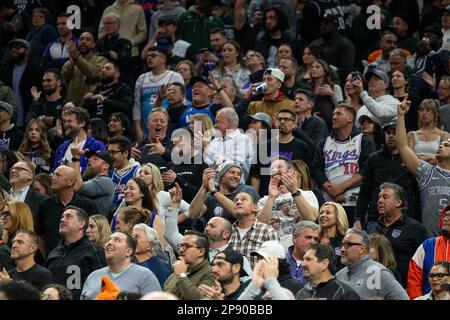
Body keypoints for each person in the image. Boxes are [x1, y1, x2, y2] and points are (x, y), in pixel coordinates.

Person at [311, 104, 376, 226]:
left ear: (350, 119)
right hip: (329, 203)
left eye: (339, 114)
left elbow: (367, 171)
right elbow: (315, 168)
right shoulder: (324, 142)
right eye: (333, 114)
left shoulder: (364, 140)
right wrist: (332, 190)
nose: (334, 117)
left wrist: (342, 187)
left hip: (356, 203)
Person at [396, 96, 450, 235]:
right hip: (431, 241)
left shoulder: (443, 134)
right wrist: (400, 116)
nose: (441, 146)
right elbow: (402, 147)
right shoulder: (427, 173)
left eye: (447, 145)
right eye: (442, 144)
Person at [354, 122, 420, 229]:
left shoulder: (411, 160)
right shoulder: (374, 159)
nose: (390, 136)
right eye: (388, 133)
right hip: (376, 219)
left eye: (394, 133)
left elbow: (417, 193)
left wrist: (418, 220)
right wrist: (358, 218)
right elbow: (365, 191)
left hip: (404, 219)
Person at [367, 182, 427, 287]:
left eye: (385, 197)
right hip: (374, 287)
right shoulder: (373, 228)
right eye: (379, 197)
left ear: (399, 202)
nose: (380, 200)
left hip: (403, 288)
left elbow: (423, 263)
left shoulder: (415, 228)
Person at [45, 206, 107, 299]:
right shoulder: (54, 252)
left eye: (68, 217)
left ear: (81, 224)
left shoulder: (95, 251)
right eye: (62, 217)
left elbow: (105, 284)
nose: (62, 220)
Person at [257, 157, 319, 249]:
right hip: (271, 250)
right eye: (272, 168)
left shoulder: (306, 194)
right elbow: (260, 227)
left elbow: (311, 218)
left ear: (290, 171)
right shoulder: (264, 200)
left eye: (279, 166)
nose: (275, 169)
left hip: (298, 248)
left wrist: (294, 190)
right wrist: (271, 198)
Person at [36, 165, 98, 257]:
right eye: (53, 174)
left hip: (81, 259)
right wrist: (48, 258)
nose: (53, 177)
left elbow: (96, 232)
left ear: (71, 182)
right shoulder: (44, 205)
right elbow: (40, 236)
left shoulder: (88, 205)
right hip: (53, 261)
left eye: (58, 175)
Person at [81, 231, 161, 300]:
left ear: (128, 252)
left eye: (117, 240)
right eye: (109, 240)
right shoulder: (93, 276)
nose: (110, 243)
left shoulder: (145, 276)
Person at [335, 228, 409, 300]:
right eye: (342, 244)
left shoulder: (379, 273)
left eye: (347, 244)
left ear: (361, 249)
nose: (342, 249)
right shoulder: (339, 275)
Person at [133, 46, 183, 140]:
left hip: (168, 126)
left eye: (153, 55)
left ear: (163, 59)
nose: (149, 58)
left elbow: (180, 102)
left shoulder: (174, 76)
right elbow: (137, 105)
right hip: (146, 126)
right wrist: (137, 128)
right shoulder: (142, 78)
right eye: (147, 56)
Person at [189, 163, 259, 228]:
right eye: (232, 172)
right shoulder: (209, 196)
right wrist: (204, 186)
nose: (236, 176)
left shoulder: (247, 191)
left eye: (239, 174)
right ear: (221, 175)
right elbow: (193, 214)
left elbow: (242, 214)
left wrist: (214, 192)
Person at [407, 204, 450, 299]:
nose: (446, 219)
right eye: (445, 216)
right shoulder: (427, 245)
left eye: (449, 216)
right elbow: (414, 279)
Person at [98, 0, 147, 83]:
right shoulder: (108, 9)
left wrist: (130, 42)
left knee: (128, 82)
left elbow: (143, 32)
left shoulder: (137, 9)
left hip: (132, 54)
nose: (108, 25)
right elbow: (101, 32)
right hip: (109, 55)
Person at [229, 192, 279, 268]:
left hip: (258, 278)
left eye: (244, 200)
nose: (238, 202)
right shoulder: (227, 232)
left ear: (254, 208)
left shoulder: (268, 231)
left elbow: (274, 264)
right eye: (236, 200)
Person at [1, 38, 41, 130]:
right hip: (8, 120)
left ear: (27, 51)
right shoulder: (6, 71)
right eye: (12, 48)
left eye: (18, 47)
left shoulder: (35, 70)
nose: (13, 50)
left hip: (28, 119)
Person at [295, 244, 360, 300]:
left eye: (308, 259)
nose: (303, 264)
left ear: (324, 264)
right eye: (303, 260)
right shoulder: (301, 293)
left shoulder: (344, 293)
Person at [163, 231, 216, 300]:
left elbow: (199, 298)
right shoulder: (174, 274)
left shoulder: (211, 274)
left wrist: (181, 275)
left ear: (201, 252)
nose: (181, 250)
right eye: (180, 246)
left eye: (187, 246)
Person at [52, 107, 106, 173]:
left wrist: (76, 169)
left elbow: (99, 169)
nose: (66, 125)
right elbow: (54, 170)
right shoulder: (62, 147)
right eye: (65, 122)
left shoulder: (97, 146)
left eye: (69, 121)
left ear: (82, 123)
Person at [61, 31, 108, 106]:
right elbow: (64, 79)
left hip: (91, 104)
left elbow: (94, 73)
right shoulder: (70, 61)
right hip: (72, 105)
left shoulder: (101, 60)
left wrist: (77, 58)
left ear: (93, 45)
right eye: (81, 39)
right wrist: (72, 62)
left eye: (88, 39)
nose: (84, 41)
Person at [308, 12, 356, 85]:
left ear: (335, 26)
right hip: (313, 81)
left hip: (338, 83)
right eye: (321, 24)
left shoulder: (345, 44)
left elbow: (346, 69)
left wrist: (327, 77)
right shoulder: (314, 44)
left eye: (326, 24)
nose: (322, 27)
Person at [72, 150, 115, 217]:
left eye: (95, 159)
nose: (89, 160)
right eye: (90, 158)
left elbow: (78, 187)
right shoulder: (90, 180)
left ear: (105, 166)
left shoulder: (105, 181)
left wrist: (76, 159)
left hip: (95, 225)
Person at [407, 99, 450, 165]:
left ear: (436, 114)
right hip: (414, 172)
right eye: (422, 110)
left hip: (436, 172)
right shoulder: (412, 135)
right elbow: (408, 158)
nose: (424, 113)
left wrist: (419, 159)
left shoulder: (444, 135)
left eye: (428, 110)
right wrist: (431, 157)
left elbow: (444, 159)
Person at [95, 13, 132, 85]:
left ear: (118, 25)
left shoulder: (125, 42)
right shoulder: (99, 42)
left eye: (110, 23)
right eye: (105, 24)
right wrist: (109, 53)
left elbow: (124, 60)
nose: (107, 26)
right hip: (101, 78)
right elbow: (95, 58)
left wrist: (102, 55)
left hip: (120, 79)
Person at [132, 223, 171, 288]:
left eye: (136, 237)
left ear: (149, 245)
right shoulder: (127, 262)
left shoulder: (160, 267)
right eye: (132, 236)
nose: (132, 240)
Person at [308, 59, 343, 129]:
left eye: (317, 67)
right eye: (312, 67)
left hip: (331, 126)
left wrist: (331, 94)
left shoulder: (335, 87)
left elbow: (342, 108)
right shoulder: (307, 88)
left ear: (325, 71)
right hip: (312, 125)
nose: (314, 69)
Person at [108, 135, 140, 206]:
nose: (110, 156)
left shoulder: (137, 171)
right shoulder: (110, 172)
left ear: (125, 153)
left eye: (113, 152)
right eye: (109, 152)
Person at [318, 202, 348, 270]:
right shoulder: (314, 239)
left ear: (338, 217)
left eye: (328, 213)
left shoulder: (345, 241)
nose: (323, 215)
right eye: (321, 213)